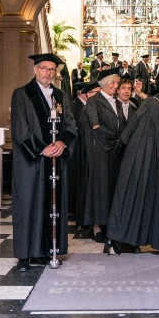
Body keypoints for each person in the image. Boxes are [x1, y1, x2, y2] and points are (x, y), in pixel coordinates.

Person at [108, 74, 159, 254]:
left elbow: (132, 126)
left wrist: (120, 147)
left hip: (137, 158)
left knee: (130, 197)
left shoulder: (152, 103)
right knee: (158, 201)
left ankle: (124, 241)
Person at [10, 53, 77, 272]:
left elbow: (70, 125)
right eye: (44, 68)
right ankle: (26, 255)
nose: (48, 73)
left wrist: (61, 144)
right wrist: (42, 148)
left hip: (56, 160)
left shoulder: (60, 96)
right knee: (29, 204)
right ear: (35, 70)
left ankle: (50, 249)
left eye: (52, 70)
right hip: (32, 162)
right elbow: (20, 129)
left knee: (53, 203)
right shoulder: (22, 94)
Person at [81, 67, 124, 247]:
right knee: (100, 188)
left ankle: (111, 225)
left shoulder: (118, 102)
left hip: (116, 151)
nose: (116, 86)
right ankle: (97, 225)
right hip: (101, 150)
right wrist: (115, 139)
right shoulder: (94, 101)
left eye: (117, 83)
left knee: (112, 187)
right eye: (113, 83)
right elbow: (95, 126)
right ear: (105, 84)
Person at [71, 81, 100, 239]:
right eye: (95, 92)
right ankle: (85, 222)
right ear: (87, 94)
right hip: (83, 156)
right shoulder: (82, 109)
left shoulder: (94, 107)